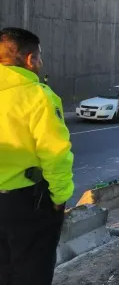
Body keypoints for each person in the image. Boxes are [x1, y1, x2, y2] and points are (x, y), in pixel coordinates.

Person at [0, 27, 74, 285]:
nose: (40, 63)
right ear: (30, 59)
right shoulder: (39, 97)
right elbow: (55, 153)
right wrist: (60, 197)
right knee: (32, 271)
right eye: (39, 57)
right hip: (27, 204)